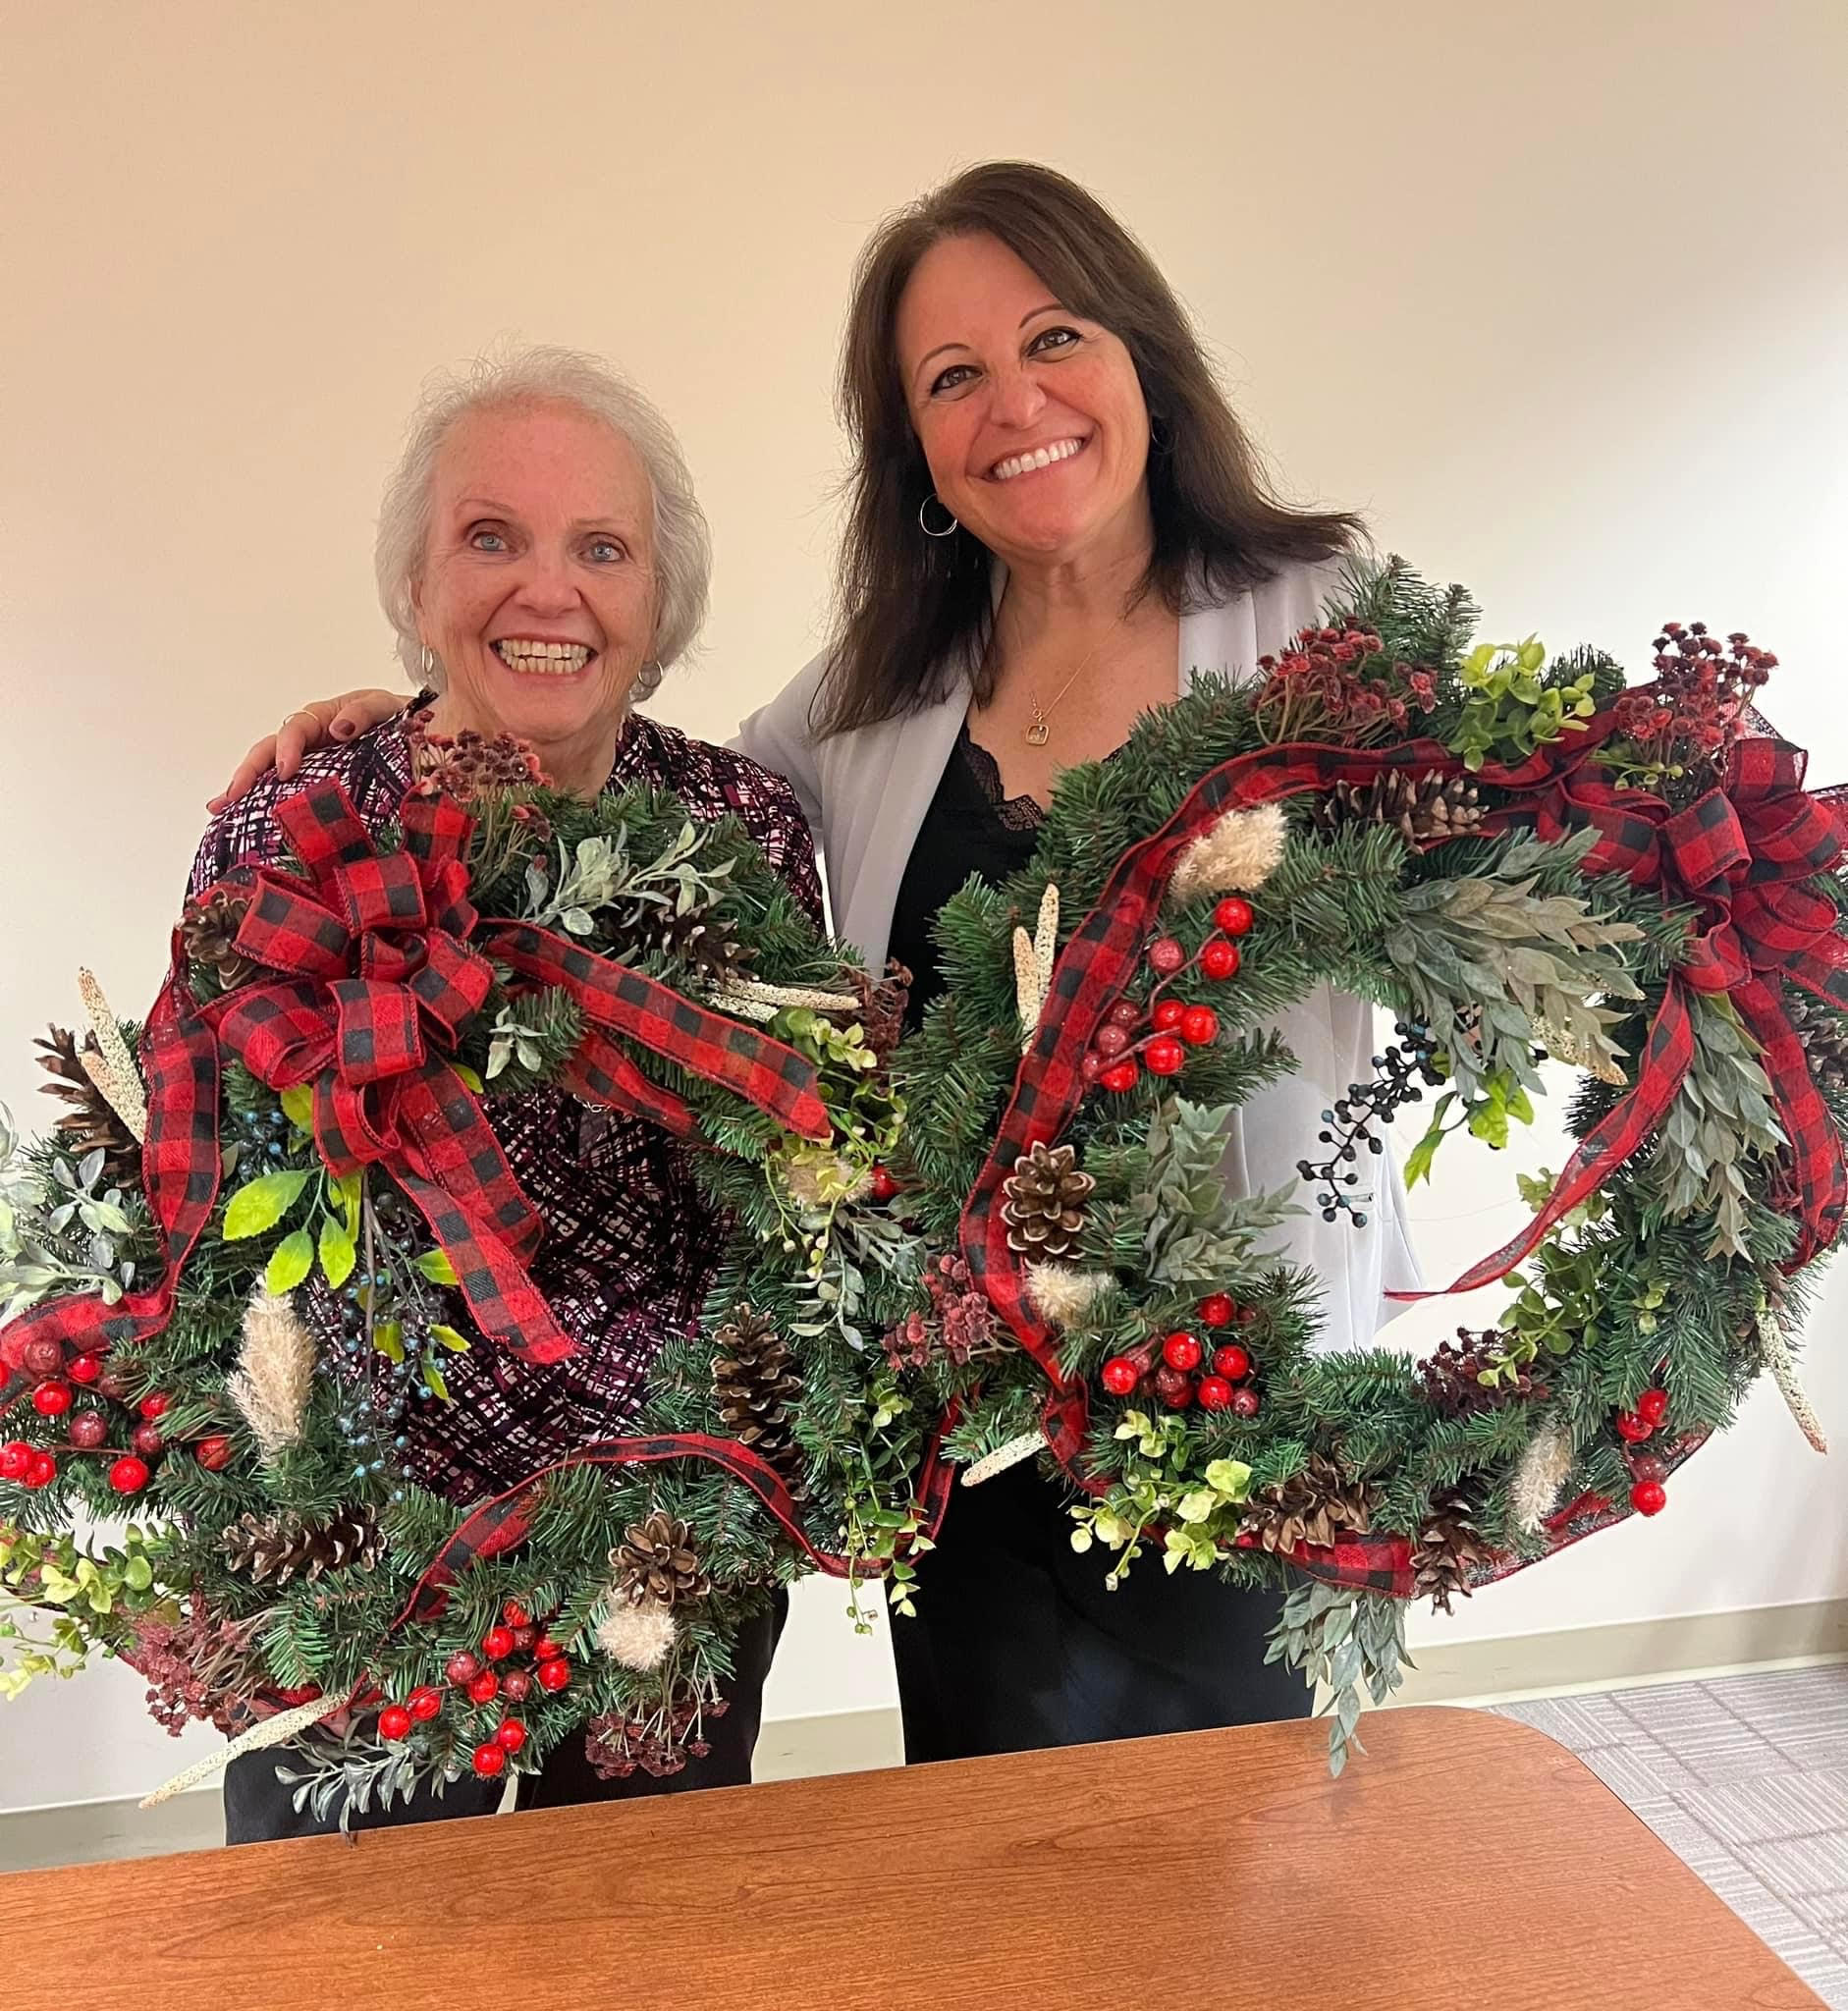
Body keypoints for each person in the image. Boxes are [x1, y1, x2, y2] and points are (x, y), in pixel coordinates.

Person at [211, 162, 1420, 1765]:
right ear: (915, 447)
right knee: (984, 1840)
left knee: (1246, 1847)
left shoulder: (1325, 630)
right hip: (964, 1417)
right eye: (951, 377)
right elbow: (601, 752)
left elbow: (1527, 873)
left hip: (1233, 1404)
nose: (1015, 404)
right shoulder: (871, 703)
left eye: (1054, 337)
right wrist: (406, 717)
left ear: (1143, 356)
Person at [193, 347, 822, 1839]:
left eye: (603, 549)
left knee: (644, 1929)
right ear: (418, 587)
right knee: (344, 1940)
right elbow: (207, 1195)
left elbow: (805, 1187)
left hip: (667, 1549)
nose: (551, 591)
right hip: (354, 1561)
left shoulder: (742, 830)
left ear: (660, 605)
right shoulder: (296, 824)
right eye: (492, 538)